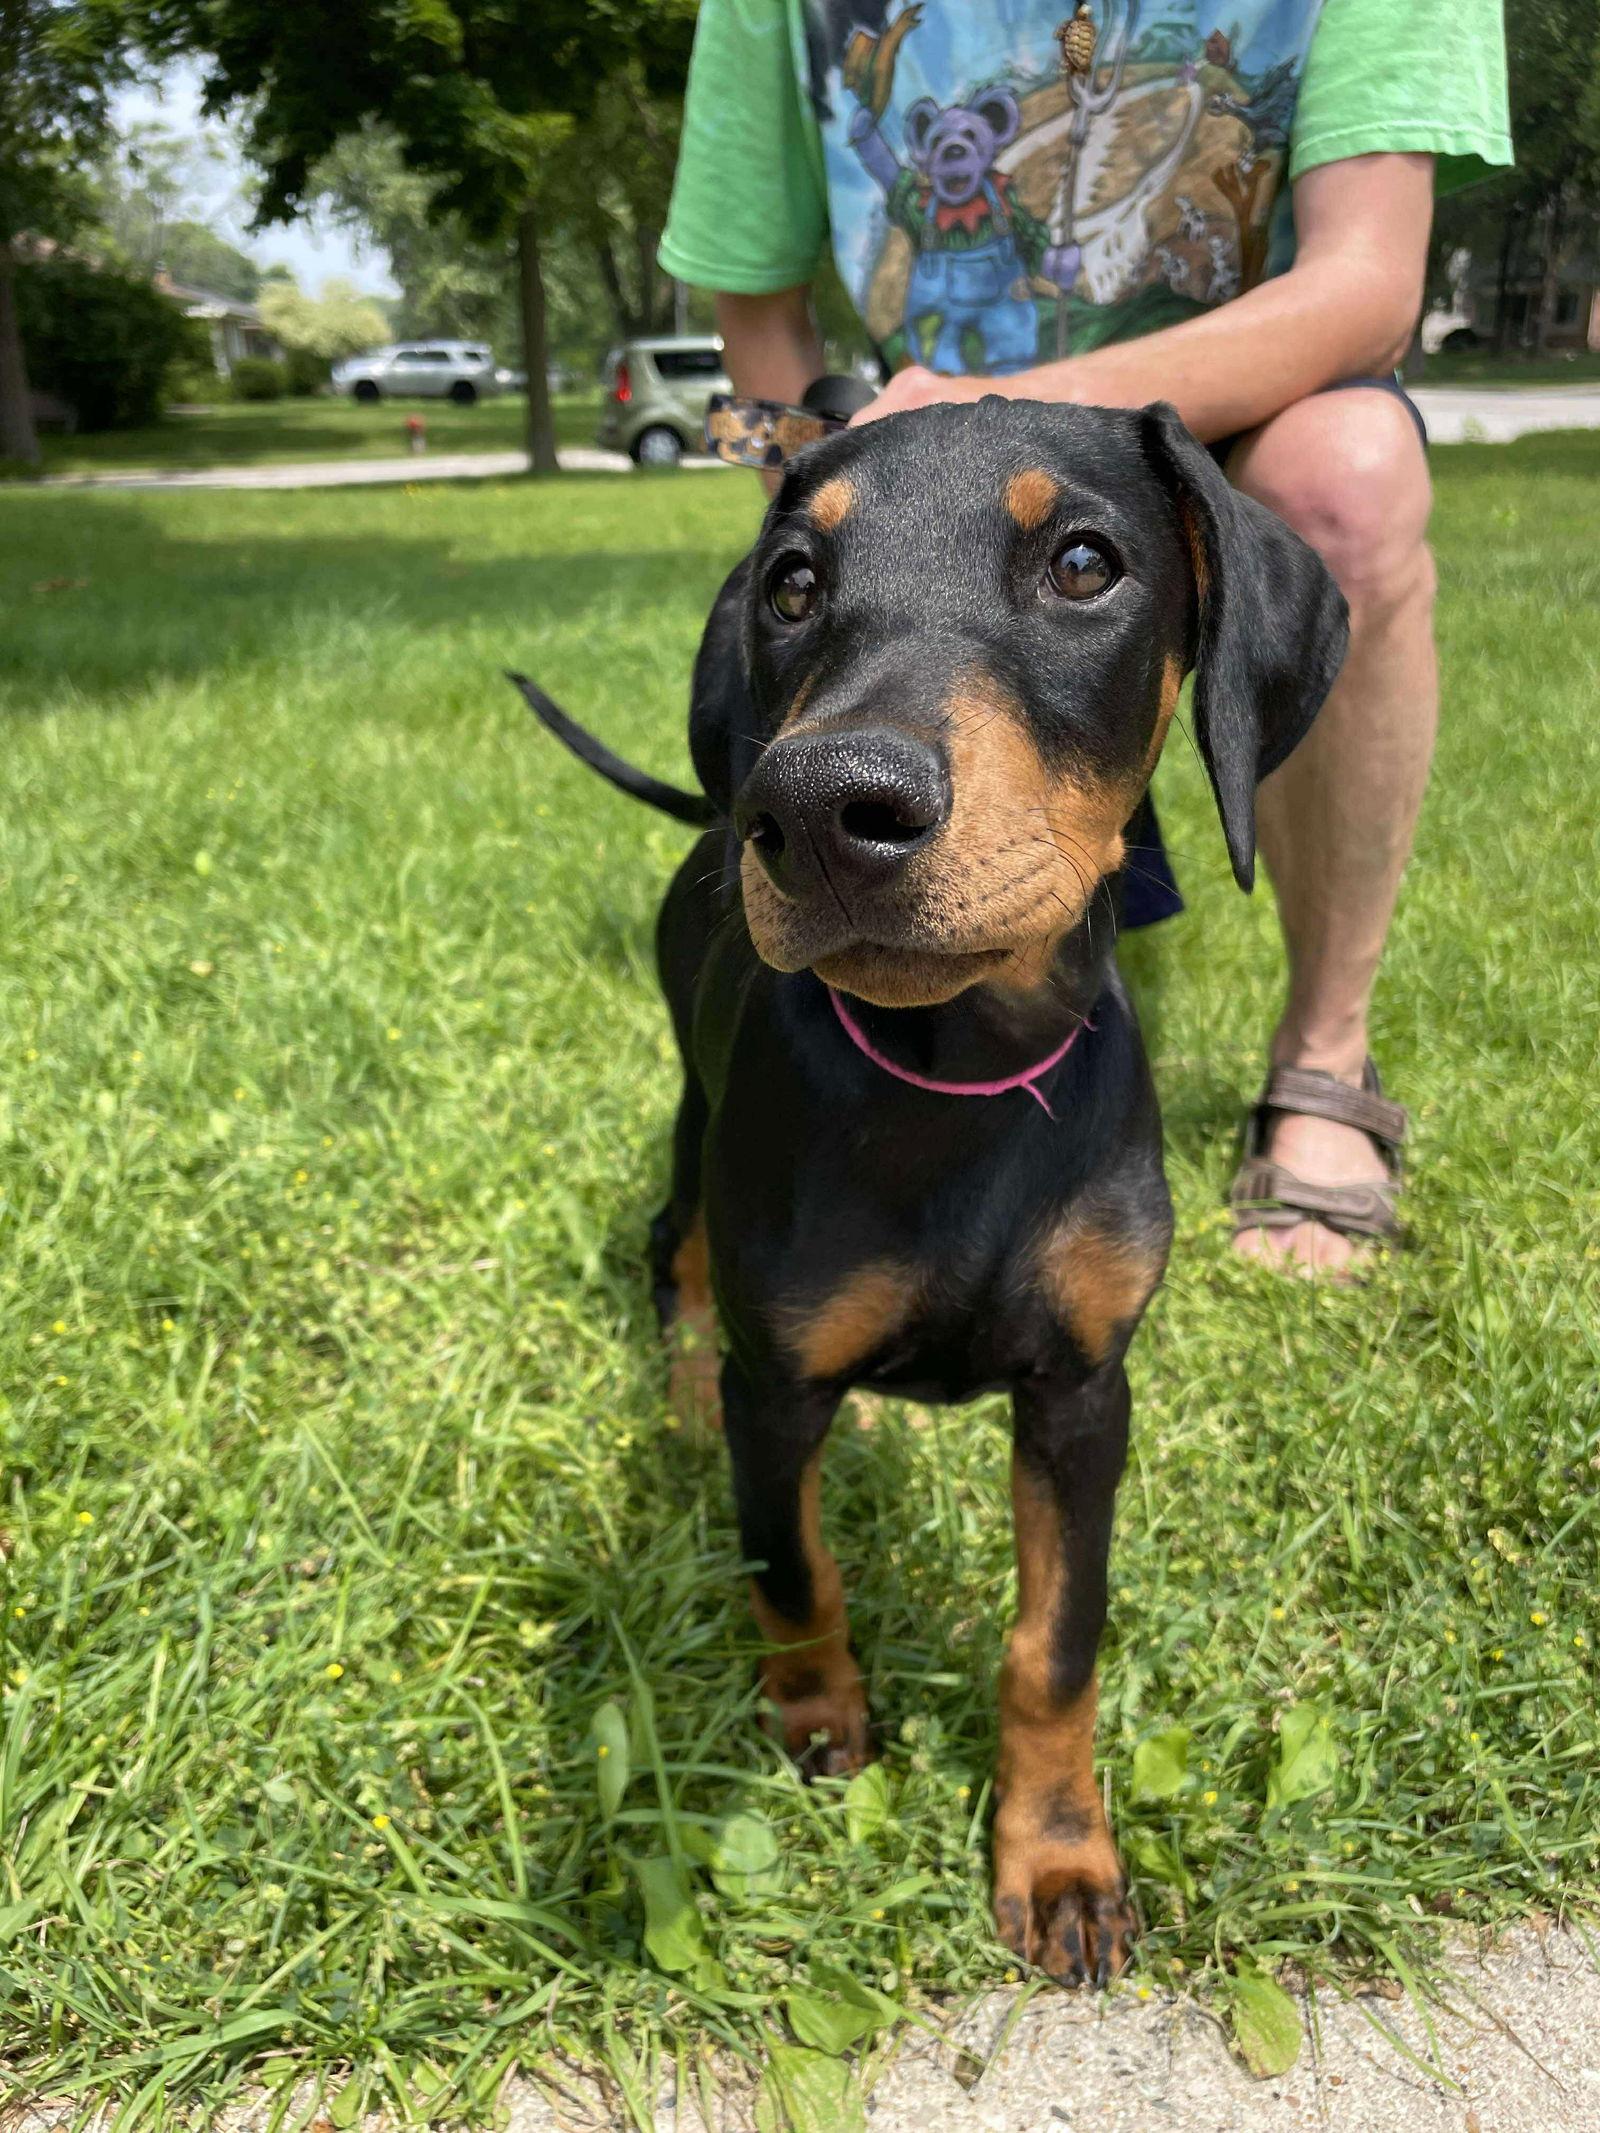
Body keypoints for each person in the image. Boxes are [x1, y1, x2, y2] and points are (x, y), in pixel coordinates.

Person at [658, 0, 1511, 1277]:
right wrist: (838, 572)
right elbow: (762, 318)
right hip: (911, 462)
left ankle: (1325, 1052)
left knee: (1347, 470)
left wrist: (1020, 424)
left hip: (1225, 418)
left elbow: (1370, 287)